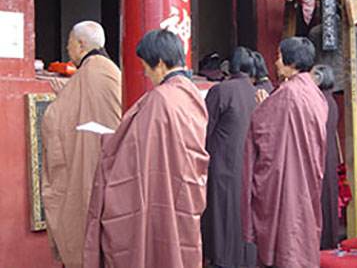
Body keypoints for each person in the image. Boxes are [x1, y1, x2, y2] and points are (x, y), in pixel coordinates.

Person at [83, 29, 210, 268]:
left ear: (160, 63)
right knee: (177, 248)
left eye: (146, 66)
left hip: (162, 188)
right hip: (184, 189)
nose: (147, 74)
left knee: (154, 248)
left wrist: (109, 141)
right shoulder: (192, 93)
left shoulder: (160, 99)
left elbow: (134, 148)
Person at [41, 21, 122, 268]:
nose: (67, 49)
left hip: (83, 171)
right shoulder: (112, 72)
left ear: (81, 44)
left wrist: (62, 99)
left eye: (69, 43)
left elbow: (53, 122)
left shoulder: (88, 73)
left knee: (82, 221)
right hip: (112, 172)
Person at [242, 37, 328, 267]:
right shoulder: (314, 92)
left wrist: (262, 107)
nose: (276, 62)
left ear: (292, 62)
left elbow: (264, 130)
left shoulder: (288, 93)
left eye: (279, 57)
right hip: (307, 175)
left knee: (286, 230)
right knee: (302, 226)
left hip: (288, 175)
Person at [201, 46, 258, 268]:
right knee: (243, 214)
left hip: (223, 165)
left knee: (222, 214)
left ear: (230, 67)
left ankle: (223, 260)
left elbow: (203, 128)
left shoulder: (222, 91)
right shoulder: (258, 92)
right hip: (249, 165)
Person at [312, 65, 339, 250]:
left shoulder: (320, 101)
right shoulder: (331, 101)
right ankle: (329, 239)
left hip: (319, 152)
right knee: (327, 195)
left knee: (320, 197)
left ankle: (320, 241)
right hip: (328, 153)